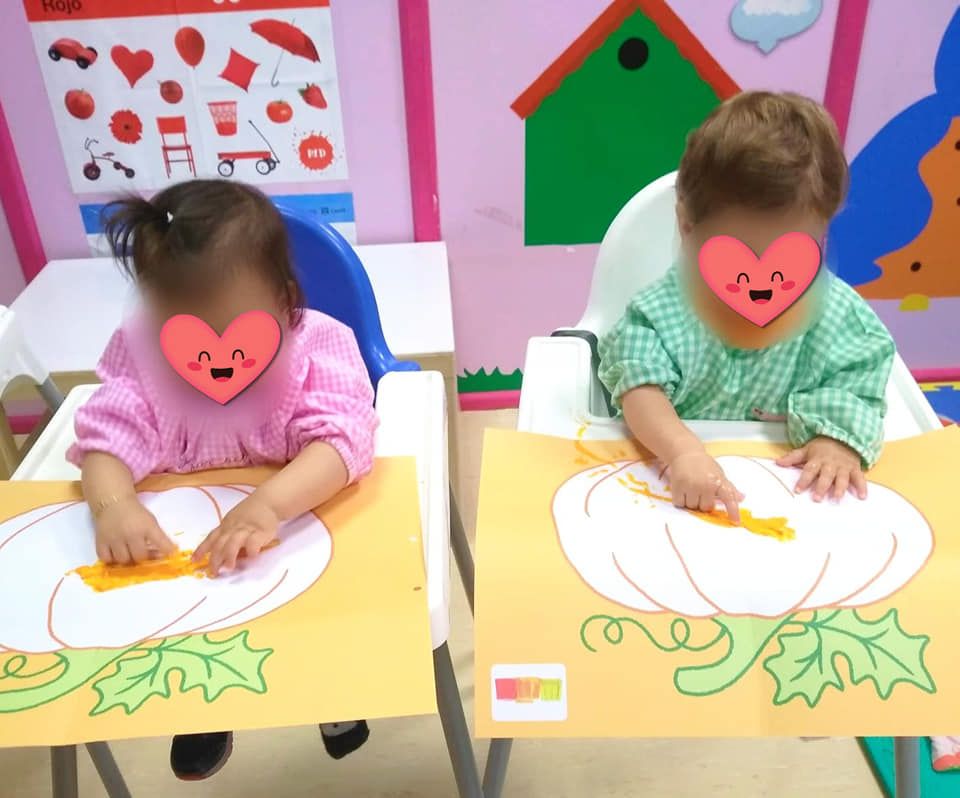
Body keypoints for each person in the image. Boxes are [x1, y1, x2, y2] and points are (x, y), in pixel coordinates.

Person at [597, 90, 953, 768]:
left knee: (896, 576)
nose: (764, 287)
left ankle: (889, 697)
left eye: (792, 257)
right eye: (737, 257)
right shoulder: (665, 309)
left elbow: (859, 375)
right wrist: (680, 450)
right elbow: (637, 385)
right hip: (685, 503)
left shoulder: (832, 313)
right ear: (687, 225)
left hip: (789, 518)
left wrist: (836, 440)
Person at [66, 179, 376, 780]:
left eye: (230, 328)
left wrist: (268, 507)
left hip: (296, 514)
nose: (213, 355)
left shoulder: (318, 347)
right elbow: (107, 432)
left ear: (285, 302)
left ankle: (332, 697)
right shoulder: (144, 354)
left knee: (323, 609)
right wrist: (113, 506)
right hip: (190, 539)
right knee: (189, 630)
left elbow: (343, 441)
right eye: (181, 330)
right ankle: (203, 711)